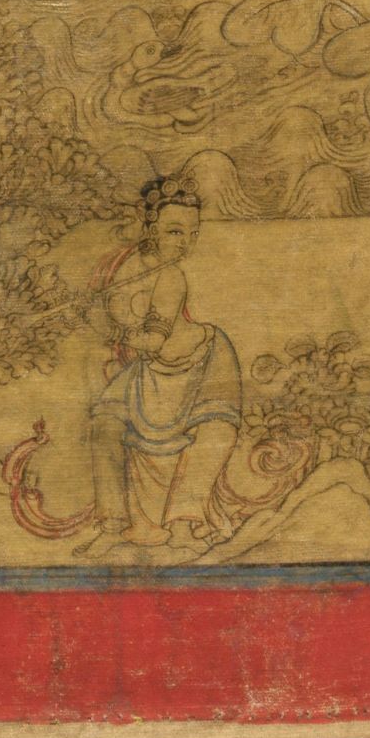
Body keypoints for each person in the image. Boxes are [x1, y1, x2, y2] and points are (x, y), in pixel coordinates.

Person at [83, 177, 245, 542]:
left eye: (192, 233)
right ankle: (112, 525)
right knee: (105, 425)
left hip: (200, 361)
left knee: (214, 433)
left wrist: (114, 331)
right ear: (150, 227)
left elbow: (153, 341)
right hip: (148, 372)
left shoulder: (172, 277)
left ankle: (184, 524)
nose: (185, 243)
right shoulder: (126, 266)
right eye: (175, 232)